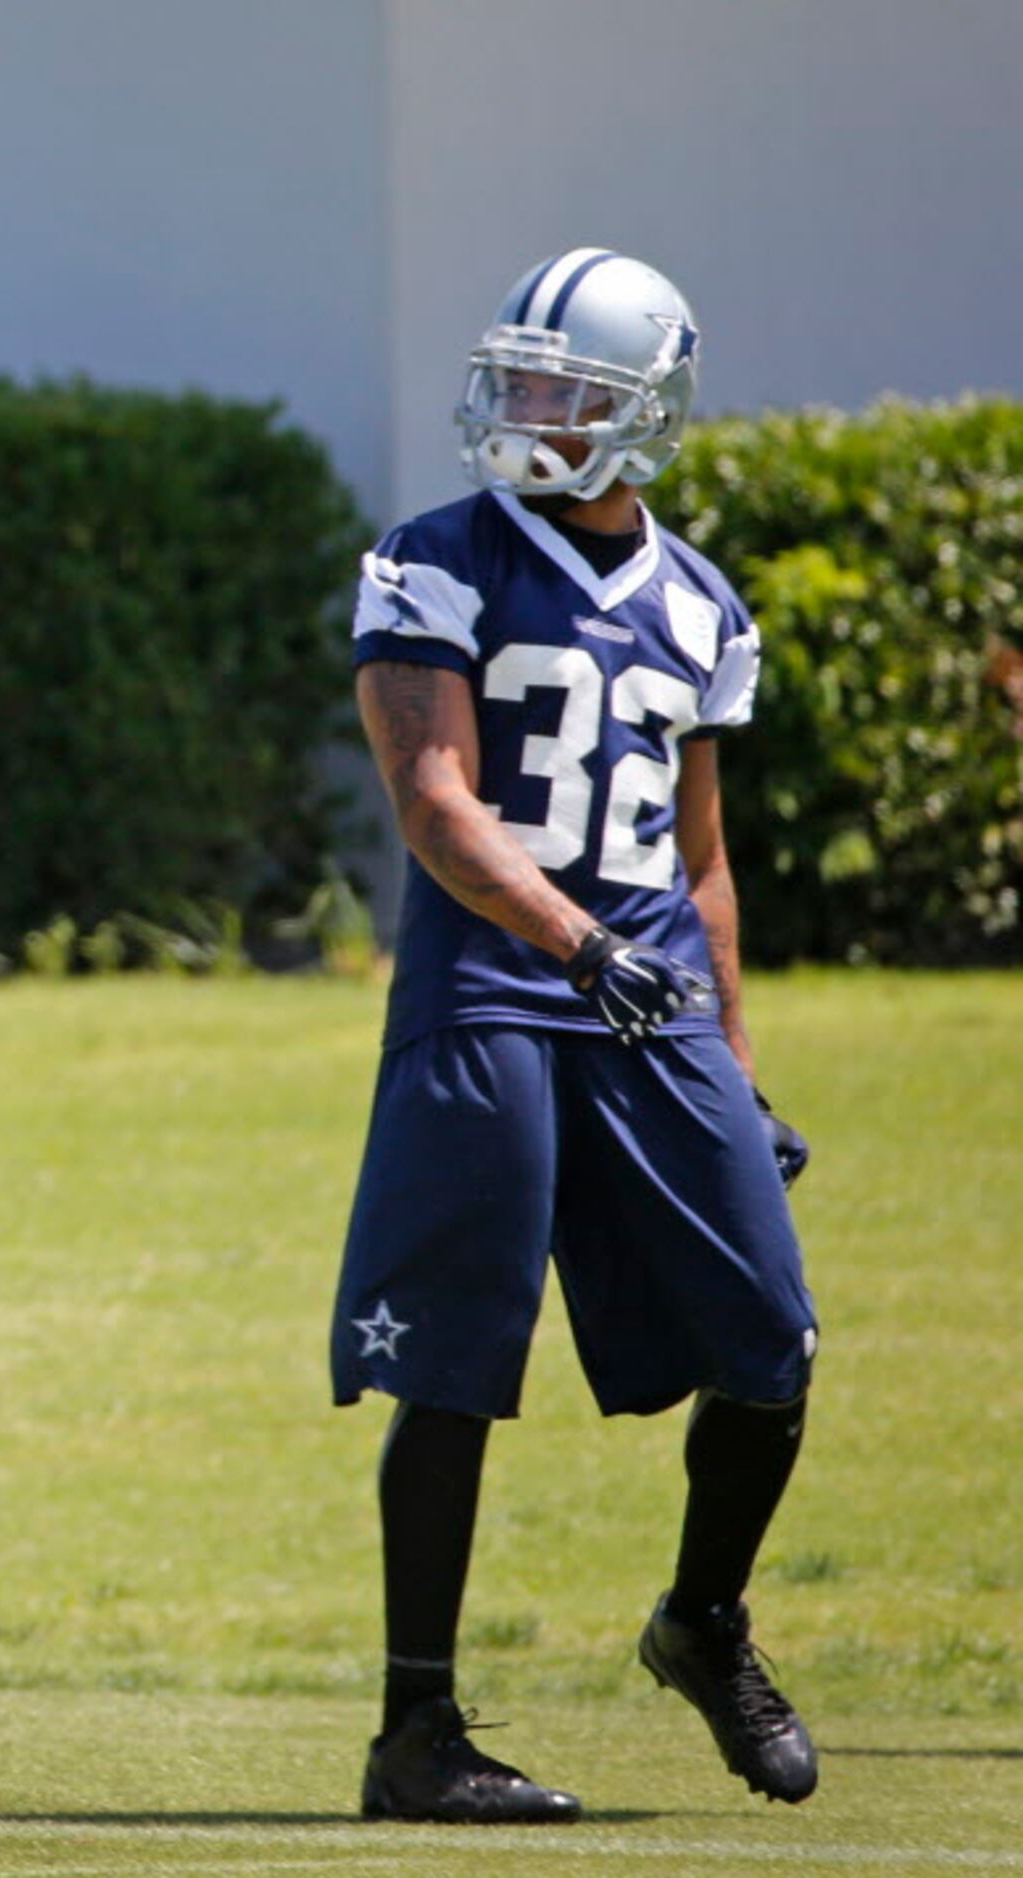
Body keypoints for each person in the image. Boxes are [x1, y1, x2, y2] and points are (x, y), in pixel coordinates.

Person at [334, 249, 819, 1822]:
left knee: (771, 1342)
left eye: (569, 391)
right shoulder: (432, 560)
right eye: (521, 376)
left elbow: (703, 860)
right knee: (459, 1362)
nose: (528, 408)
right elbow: (431, 799)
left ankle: (702, 1622)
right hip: (495, 987)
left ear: (645, 413)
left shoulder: (698, 604)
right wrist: (574, 940)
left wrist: (735, 1070)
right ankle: (416, 1735)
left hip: (650, 996)